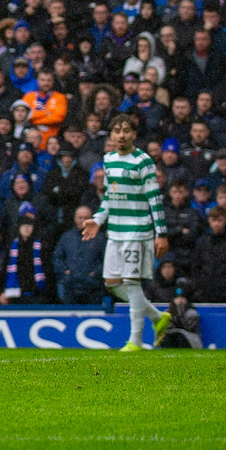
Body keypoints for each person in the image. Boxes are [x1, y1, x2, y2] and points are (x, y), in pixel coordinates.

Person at [80, 114, 172, 351]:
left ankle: (136, 341)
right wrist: (98, 219)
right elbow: (111, 195)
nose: (122, 135)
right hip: (115, 232)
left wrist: (161, 233)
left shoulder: (143, 161)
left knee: (132, 283)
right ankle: (158, 318)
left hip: (137, 230)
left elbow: (155, 198)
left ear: (134, 134)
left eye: (126, 130)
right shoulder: (108, 159)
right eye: (117, 131)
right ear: (111, 135)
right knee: (111, 282)